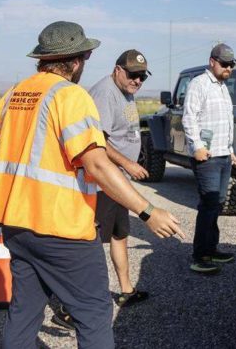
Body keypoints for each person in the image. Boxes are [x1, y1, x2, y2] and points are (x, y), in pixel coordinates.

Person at [0, 21, 184, 349]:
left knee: (24, 311)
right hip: (62, 230)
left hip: (16, 226)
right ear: (75, 60)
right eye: (85, 56)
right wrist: (148, 211)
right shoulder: (71, 96)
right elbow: (97, 164)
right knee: (94, 312)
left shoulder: (15, 93)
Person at [51, 49, 153, 330]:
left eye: (142, 76)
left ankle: (126, 290)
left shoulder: (126, 93)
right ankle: (68, 307)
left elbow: (126, 131)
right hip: (104, 182)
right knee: (90, 245)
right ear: (117, 69)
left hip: (119, 180)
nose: (137, 80)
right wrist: (127, 164)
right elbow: (98, 144)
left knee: (120, 234)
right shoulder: (104, 94)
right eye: (132, 74)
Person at [182, 43, 236, 275]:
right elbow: (189, 118)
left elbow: (223, 122)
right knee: (208, 205)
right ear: (212, 61)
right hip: (207, 157)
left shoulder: (223, 87)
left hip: (223, 155)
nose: (228, 68)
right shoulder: (199, 84)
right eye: (224, 64)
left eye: (231, 65)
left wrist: (230, 149)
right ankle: (200, 255)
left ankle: (212, 248)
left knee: (216, 204)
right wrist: (196, 147)